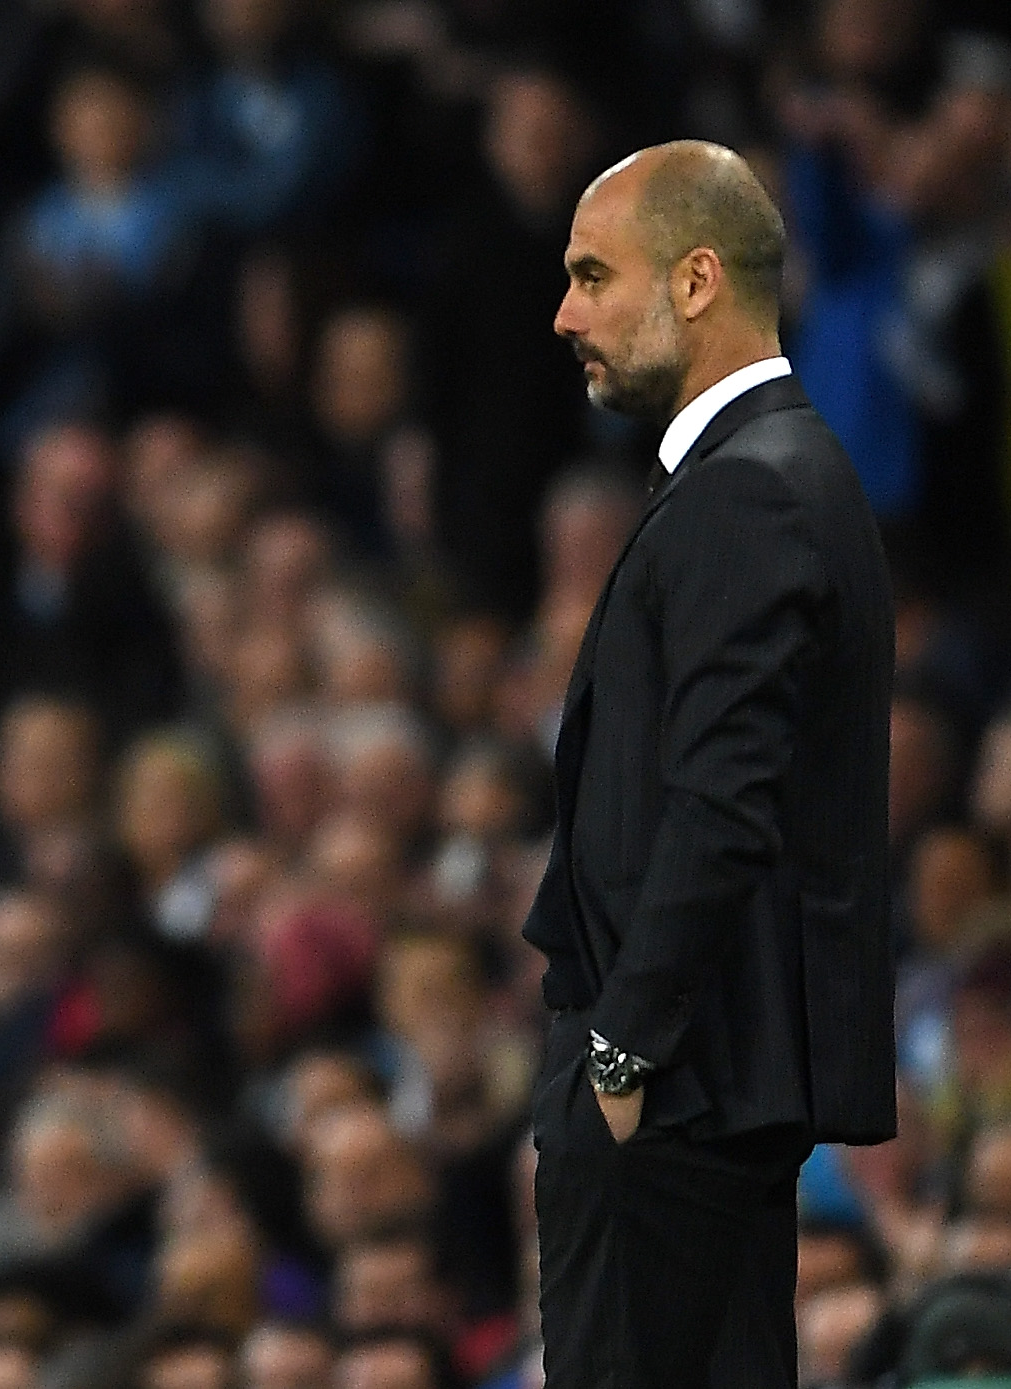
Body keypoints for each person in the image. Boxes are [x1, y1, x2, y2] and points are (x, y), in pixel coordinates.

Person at [523, 142, 897, 1388]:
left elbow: (724, 801)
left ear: (694, 282)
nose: (566, 312)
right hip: (705, 1090)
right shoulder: (770, 475)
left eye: (591, 274)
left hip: (677, 1093)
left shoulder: (754, 491)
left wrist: (621, 1049)